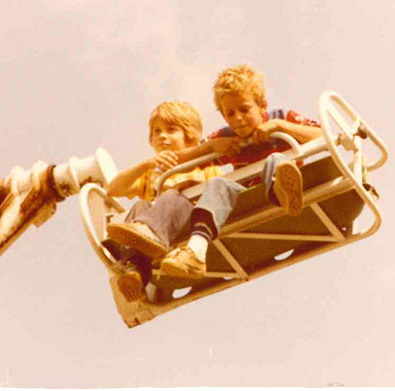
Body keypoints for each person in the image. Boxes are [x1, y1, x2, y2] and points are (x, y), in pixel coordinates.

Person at [158, 64, 322, 278]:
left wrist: (281, 127)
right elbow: (179, 162)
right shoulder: (227, 138)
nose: (238, 118)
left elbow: (321, 134)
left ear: (262, 106)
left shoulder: (280, 117)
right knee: (218, 184)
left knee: (276, 159)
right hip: (247, 199)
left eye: (244, 110)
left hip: (283, 188)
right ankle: (196, 252)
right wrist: (211, 147)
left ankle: (282, 190)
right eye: (230, 113)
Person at [105, 101, 223, 301]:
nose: (162, 136)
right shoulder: (153, 174)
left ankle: (150, 234)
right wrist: (145, 164)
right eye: (157, 131)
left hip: (188, 220)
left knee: (170, 196)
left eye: (171, 130)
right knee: (140, 206)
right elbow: (113, 189)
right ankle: (135, 271)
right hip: (156, 228)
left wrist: (188, 186)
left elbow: (217, 193)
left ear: (189, 136)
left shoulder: (203, 165)